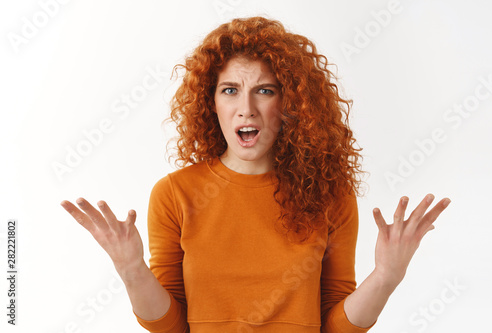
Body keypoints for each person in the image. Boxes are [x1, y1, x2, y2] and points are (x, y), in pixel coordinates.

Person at [60, 16, 451, 333]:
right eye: (229, 90)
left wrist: (386, 276)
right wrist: (131, 270)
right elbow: (172, 327)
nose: (246, 108)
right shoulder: (175, 194)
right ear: (210, 102)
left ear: (291, 102)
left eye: (265, 90)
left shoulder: (331, 195)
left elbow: (334, 326)